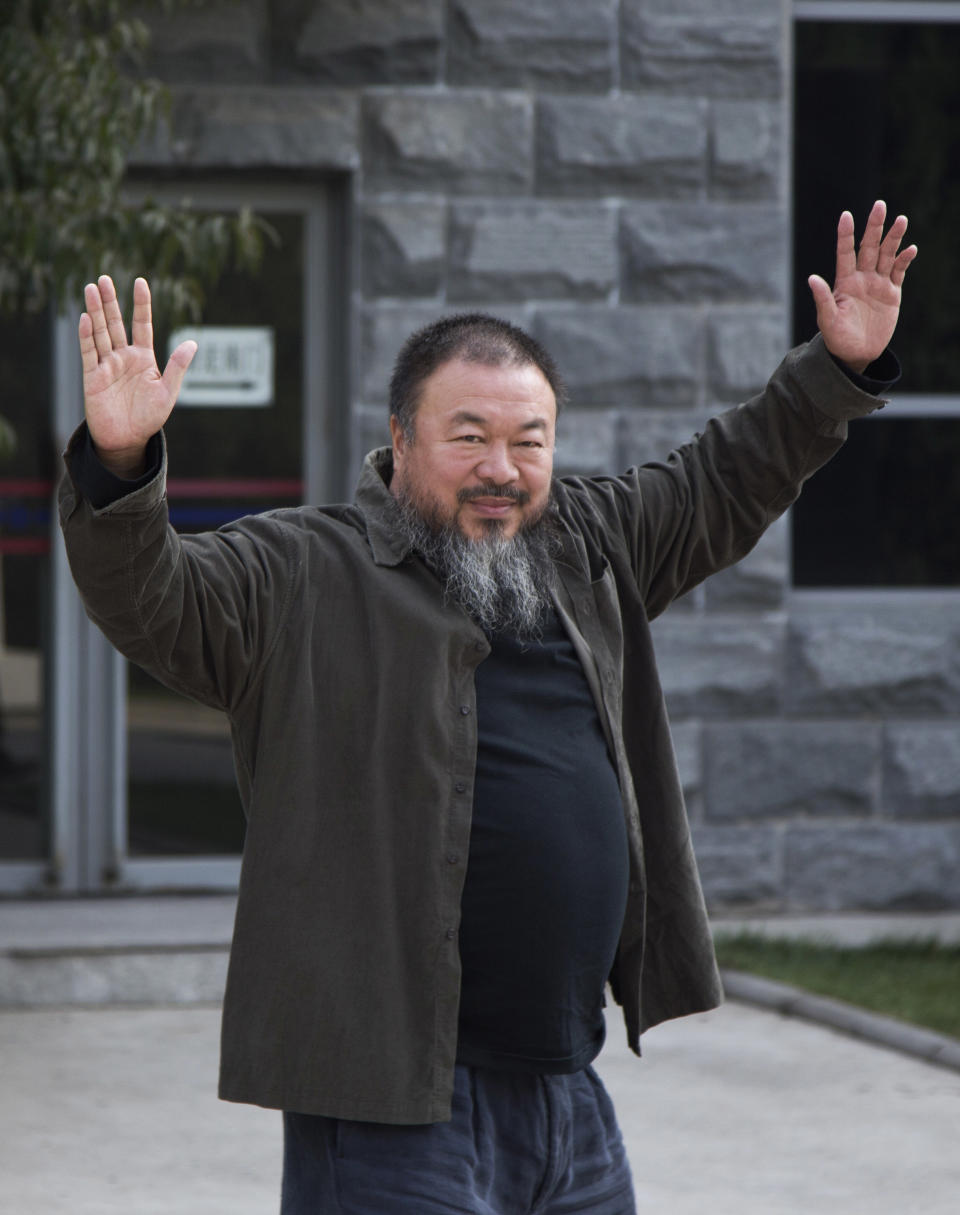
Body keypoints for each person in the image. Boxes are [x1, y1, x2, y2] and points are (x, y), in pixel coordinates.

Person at [59, 202, 916, 1214]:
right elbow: (152, 598)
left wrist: (835, 368)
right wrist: (120, 468)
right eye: (468, 437)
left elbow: (728, 475)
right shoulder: (302, 571)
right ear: (399, 440)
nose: (501, 470)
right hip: (390, 1115)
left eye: (528, 440)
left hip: (568, 1092)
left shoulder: (590, 542)